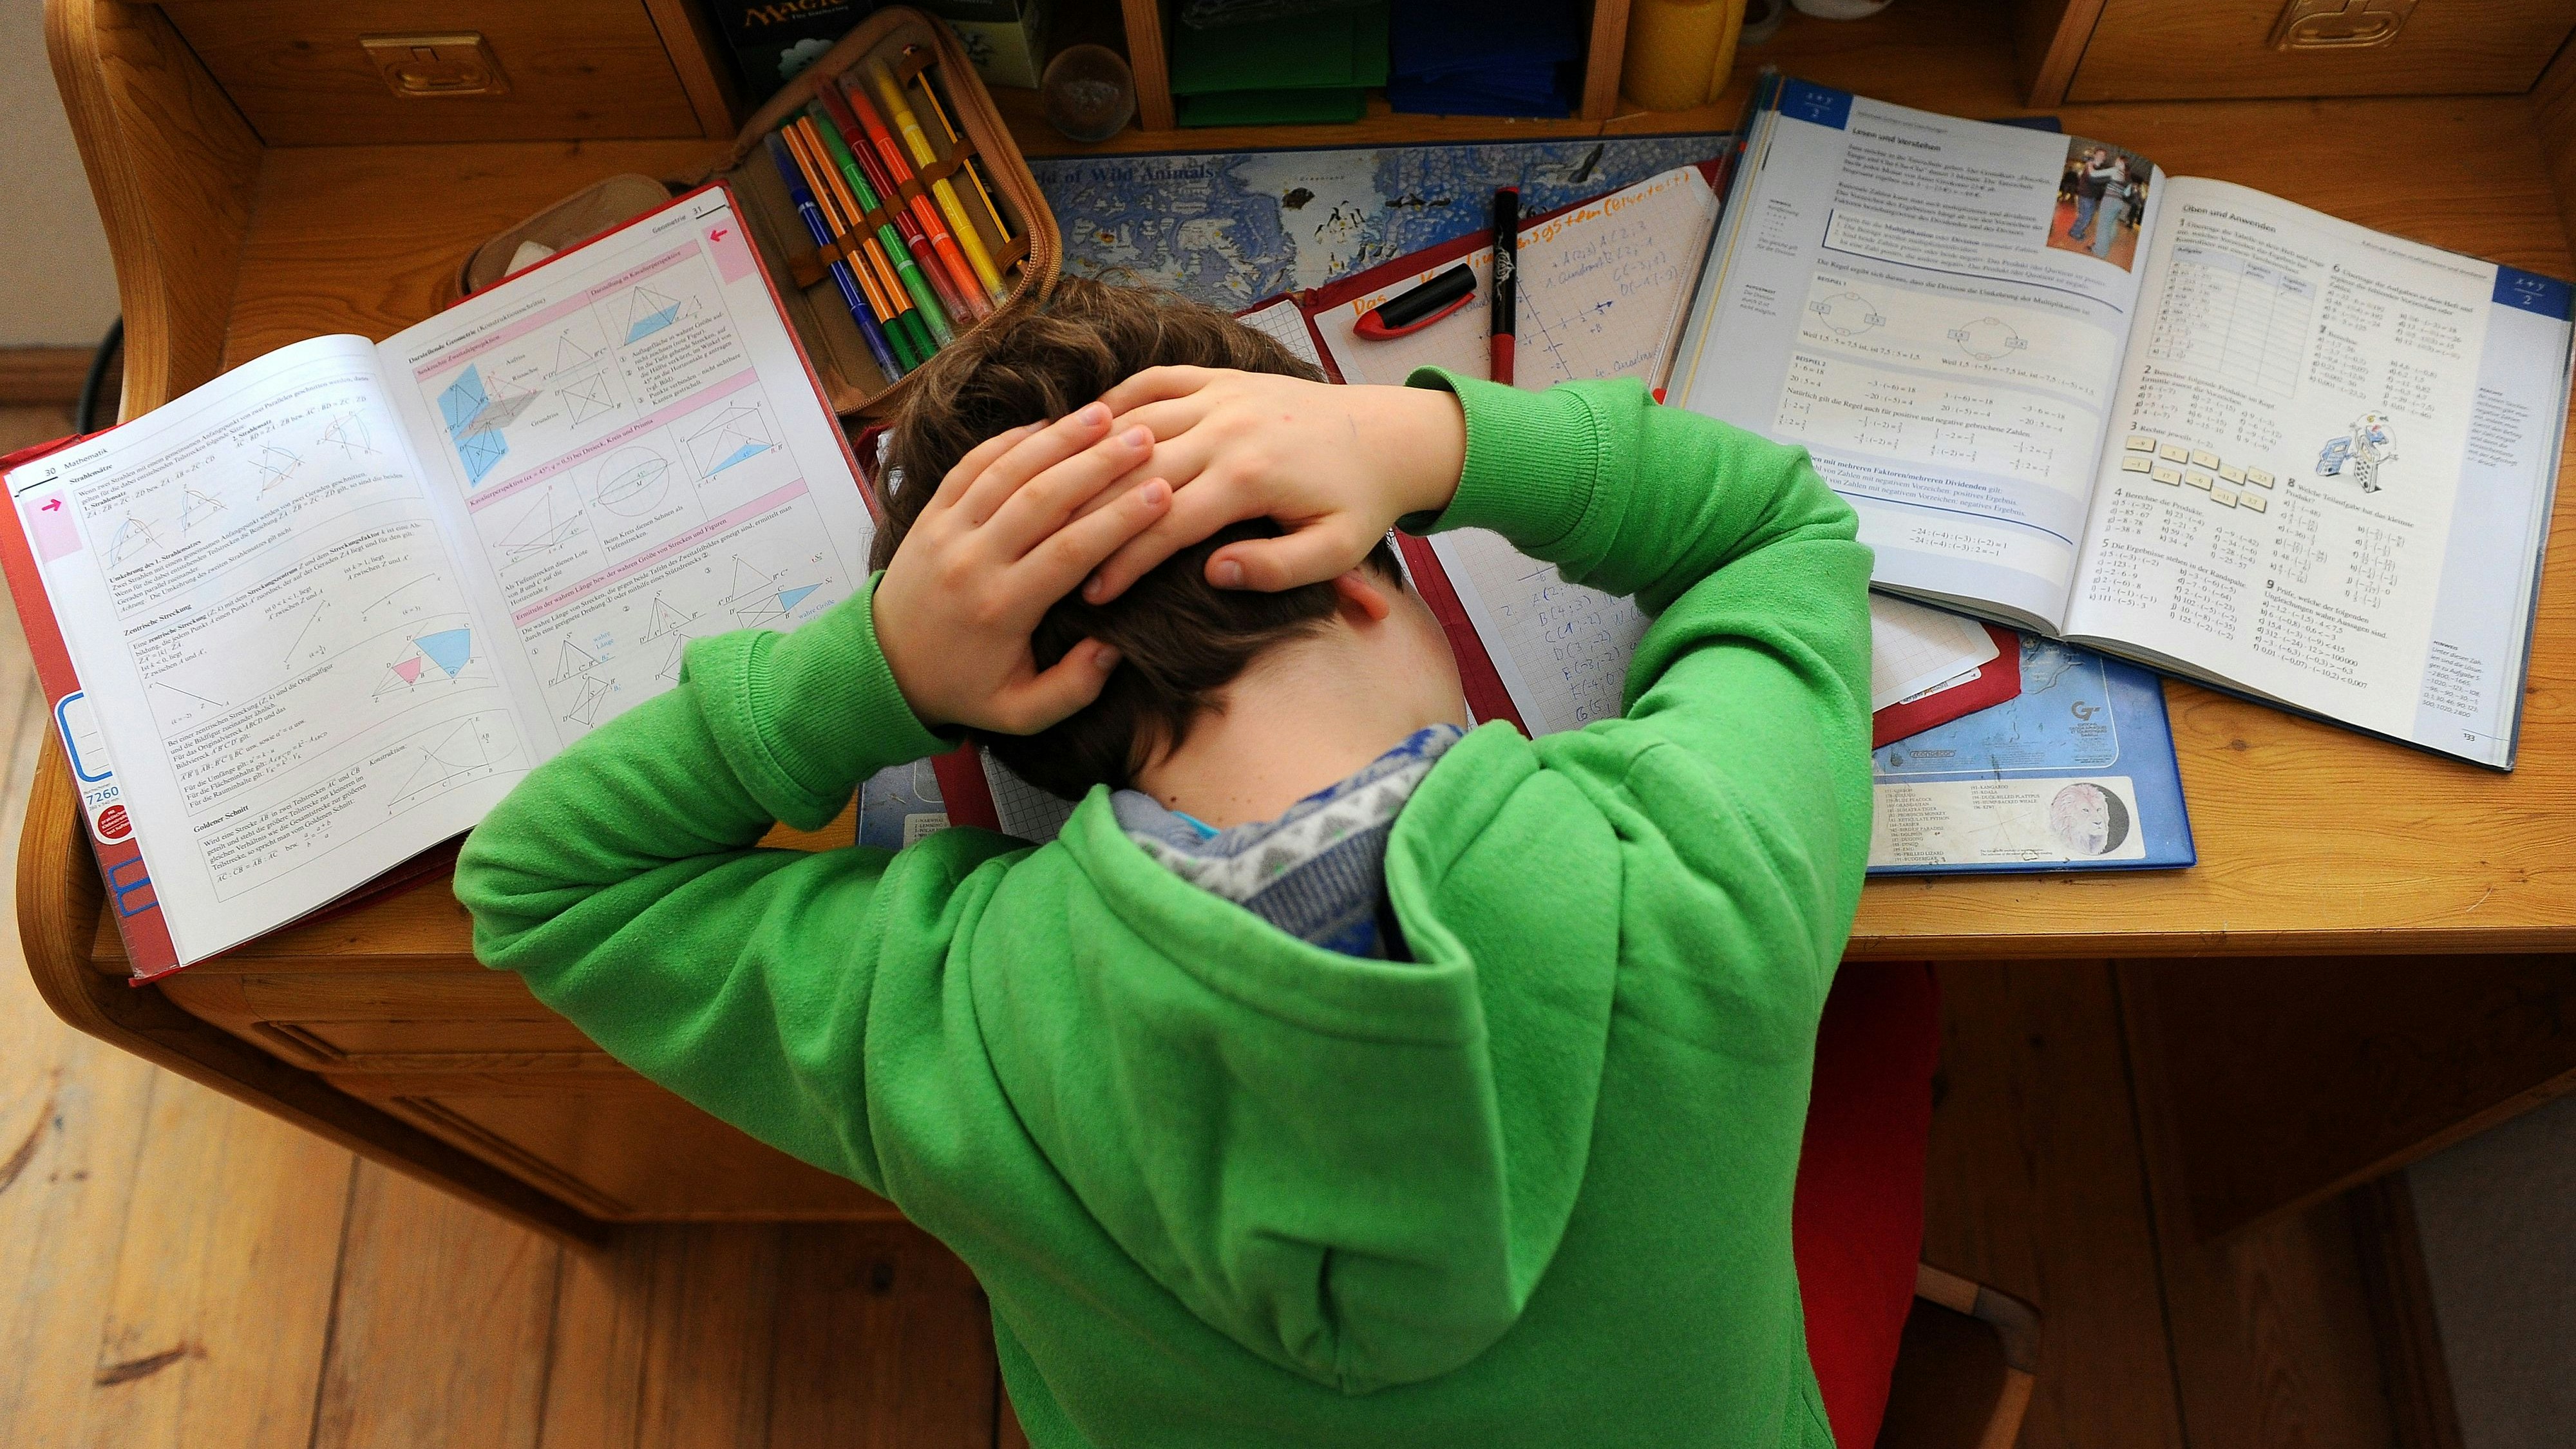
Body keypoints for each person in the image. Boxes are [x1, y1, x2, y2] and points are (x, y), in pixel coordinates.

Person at [455, 279, 1877, 1446]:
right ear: (1361, 581)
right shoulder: (1693, 870)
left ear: (1019, 734)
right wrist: (1430, 440)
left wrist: (878, 667)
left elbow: (543, 881)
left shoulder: (951, 1026)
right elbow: (1779, 533)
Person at [2093, 156, 2132, 261]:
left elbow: (2094, 174)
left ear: (2122, 163)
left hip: (2110, 201)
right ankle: (2103, 244)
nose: (2115, 162)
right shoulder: (2128, 178)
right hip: (2119, 203)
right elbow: (2127, 194)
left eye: (2117, 160)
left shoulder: (2115, 170)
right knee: (2111, 226)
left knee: (2103, 227)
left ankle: (2100, 251)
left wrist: (2090, 165)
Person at [2068, 145, 2110, 242]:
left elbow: (2099, 182)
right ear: (2095, 155)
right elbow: (2093, 179)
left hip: (2091, 197)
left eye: (2103, 155)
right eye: (2099, 154)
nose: (2101, 157)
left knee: (2085, 216)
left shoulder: (2099, 169)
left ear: (2104, 158)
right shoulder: (2090, 166)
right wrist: (2108, 179)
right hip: (2086, 196)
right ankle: (2075, 233)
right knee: (2086, 217)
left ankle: (2074, 231)